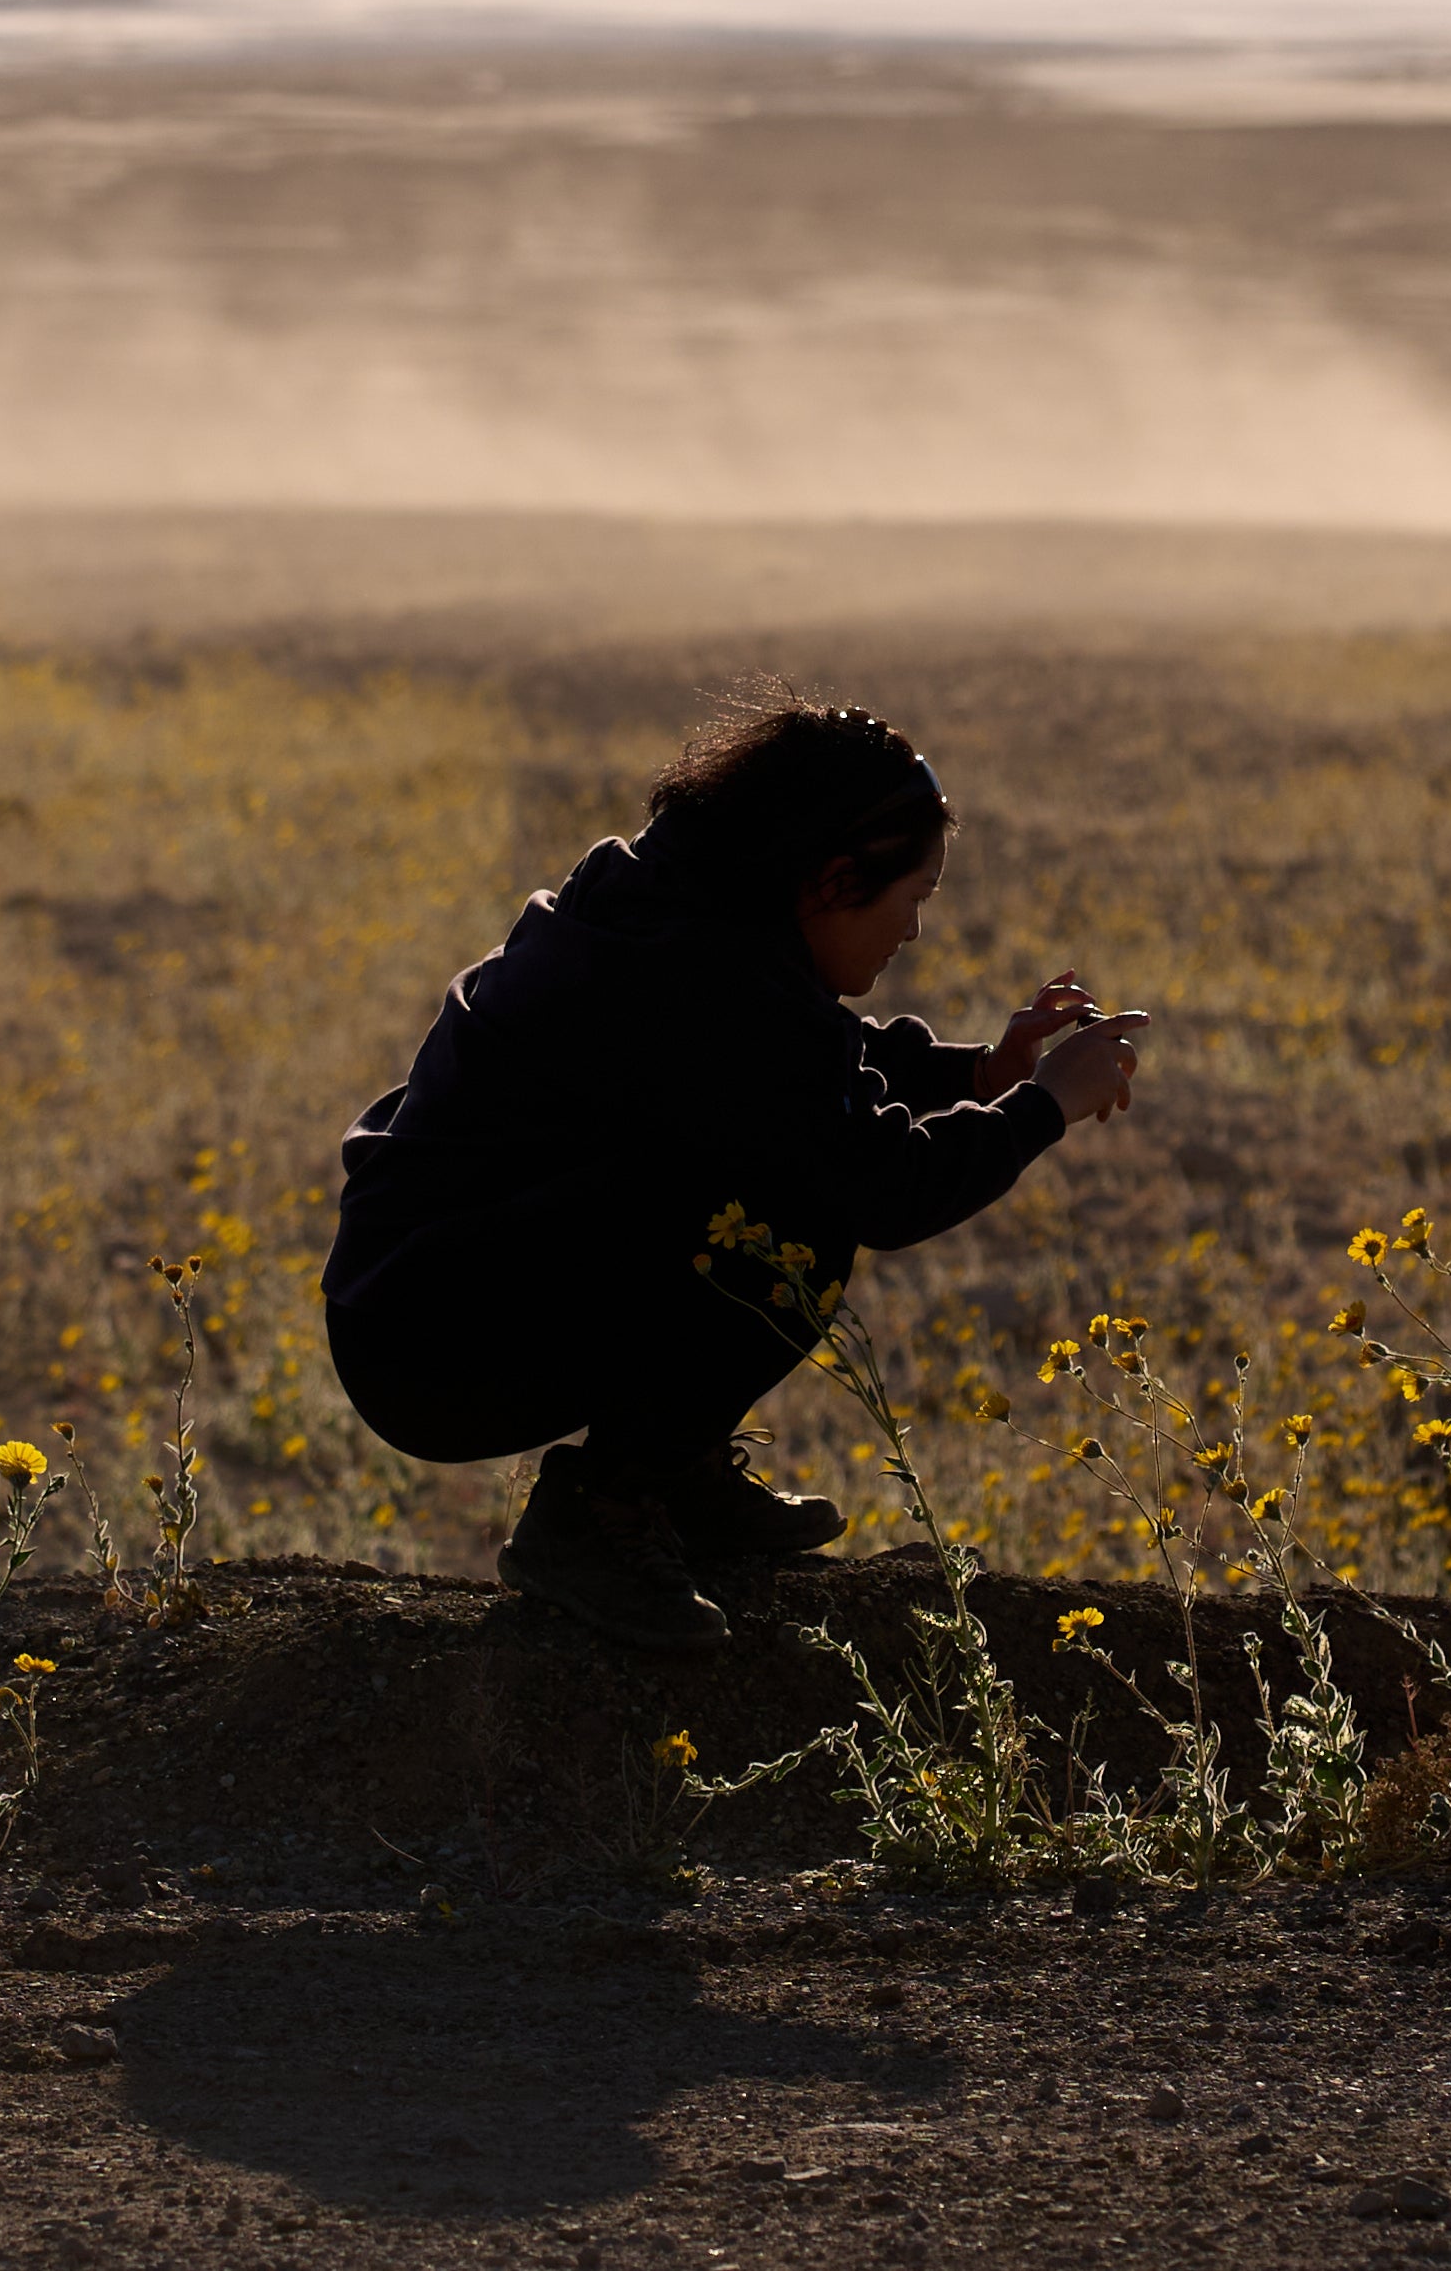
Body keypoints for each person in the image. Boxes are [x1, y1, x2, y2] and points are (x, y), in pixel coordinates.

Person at [323, 695, 1141, 1649]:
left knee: (771, 1182)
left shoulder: (672, 911)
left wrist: (982, 1072)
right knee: (792, 1226)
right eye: (911, 900)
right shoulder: (706, 983)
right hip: (435, 1349)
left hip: (416, 1298)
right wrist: (1043, 1106)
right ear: (832, 881)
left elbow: (805, 1069)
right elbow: (883, 1184)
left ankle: (671, 1480)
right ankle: (604, 1512)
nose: (912, 932)